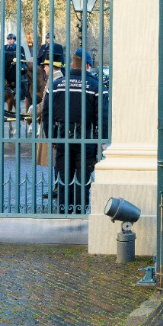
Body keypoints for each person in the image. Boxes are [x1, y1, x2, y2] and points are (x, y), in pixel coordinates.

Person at [39, 49, 108, 214]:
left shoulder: (56, 85)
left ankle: (64, 211)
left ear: (71, 65)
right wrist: (102, 140)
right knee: (82, 178)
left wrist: (51, 138)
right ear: (88, 66)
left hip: (62, 136)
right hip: (87, 137)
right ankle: (80, 211)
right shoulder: (96, 86)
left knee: (64, 176)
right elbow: (103, 116)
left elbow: (46, 114)